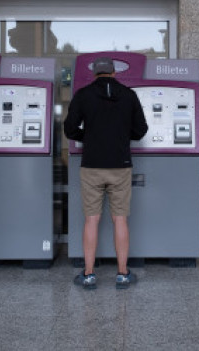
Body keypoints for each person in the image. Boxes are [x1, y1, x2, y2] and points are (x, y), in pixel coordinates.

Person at [63, 56, 148, 290]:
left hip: (92, 165)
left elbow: (70, 129)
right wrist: (120, 136)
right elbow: (141, 130)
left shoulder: (83, 95)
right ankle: (122, 274)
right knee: (120, 219)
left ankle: (89, 275)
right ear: (113, 72)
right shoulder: (129, 95)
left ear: (94, 74)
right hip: (120, 165)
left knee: (92, 219)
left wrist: (88, 137)